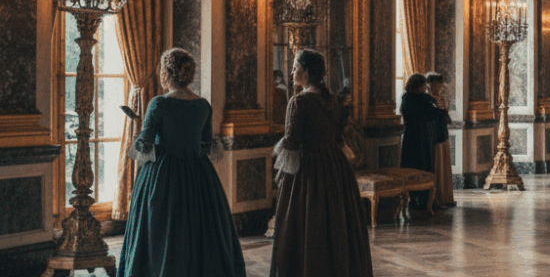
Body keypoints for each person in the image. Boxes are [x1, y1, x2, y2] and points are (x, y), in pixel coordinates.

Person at [119, 48, 246, 277]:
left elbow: (144, 144)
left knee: (161, 228)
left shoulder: (159, 104)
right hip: (198, 174)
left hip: (163, 174)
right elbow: (207, 144)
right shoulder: (203, 105)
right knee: (200, 227)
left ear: (167, 72)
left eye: (161, 70)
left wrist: (139, 127)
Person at [271, 49, 373, 277]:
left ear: (306, 71)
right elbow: (338, 138)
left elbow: (291, 142)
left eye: (295, 67)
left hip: (308, 170)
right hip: (335, 166)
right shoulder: (335, 100)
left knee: (308, 223)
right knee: (335, 221)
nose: (292, 71)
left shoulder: (298, 101)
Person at [399, 73, 440, 209]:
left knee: (411, 165)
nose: (425, 88)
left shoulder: (406, 99)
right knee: (423, 165)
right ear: (418, 85)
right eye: (424, 85)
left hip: (410, 136)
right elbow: (433, 114)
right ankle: (423, 198)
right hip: (422, 137)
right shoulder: (425, 99)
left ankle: (413, 198)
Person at [426, 72, 456, 208]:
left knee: (443, 163)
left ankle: (444, 196)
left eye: (439, 85)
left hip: (442, 134)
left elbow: (446, 116)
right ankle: (435, 198)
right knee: (436, 164)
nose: (438, 87)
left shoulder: (441, 98)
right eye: (435, 84)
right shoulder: (427, 99)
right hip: (433, 136)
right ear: (429, 85)